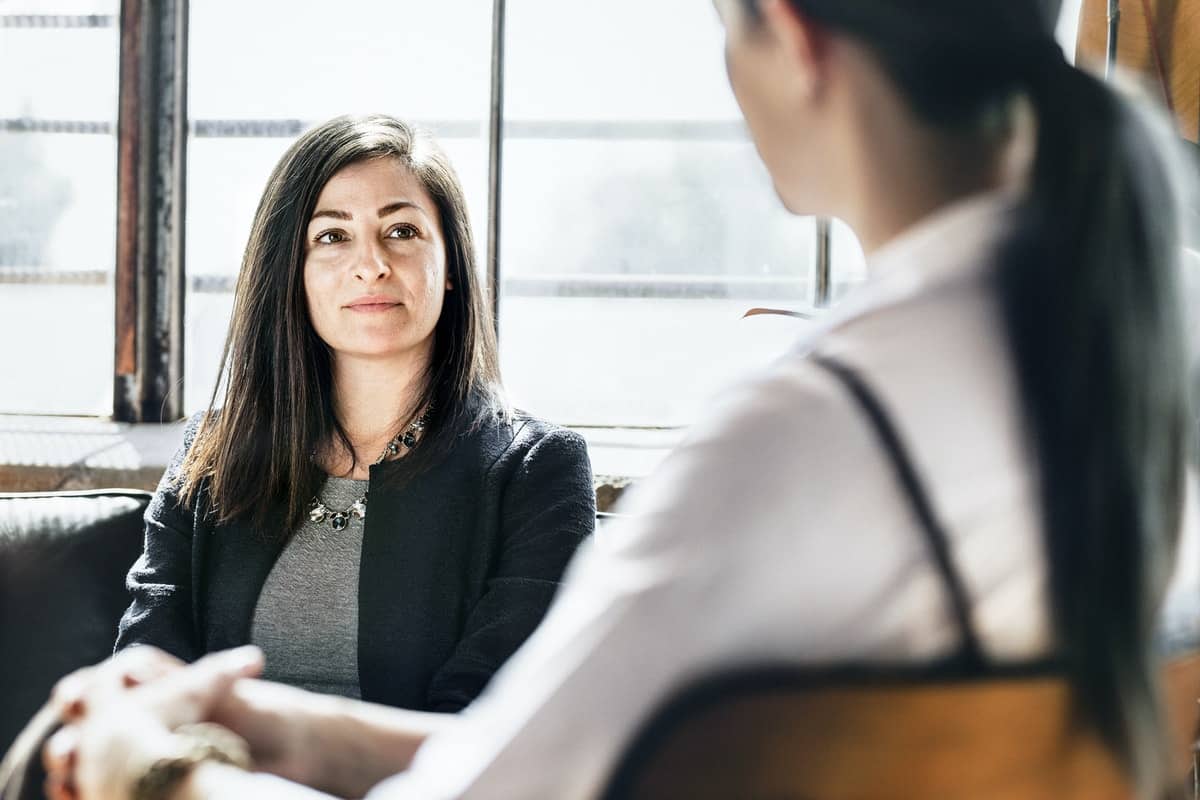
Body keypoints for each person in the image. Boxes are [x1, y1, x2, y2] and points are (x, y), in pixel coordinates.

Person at [28, 0, 1200, 797]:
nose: (368, 263)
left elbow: (498, 787)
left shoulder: (801, 433)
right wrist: (282, 724)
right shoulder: (1125, 356)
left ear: (789, 36)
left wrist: (154, 761)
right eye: (332, 237)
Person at [116, 114, 596, 707]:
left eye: (402, 231)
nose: (371, 264)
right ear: (291, 273)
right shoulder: (214, 452)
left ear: (450, 269)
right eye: (332, 237)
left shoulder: (537, 470)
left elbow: (494, 718)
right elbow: (146, 669)